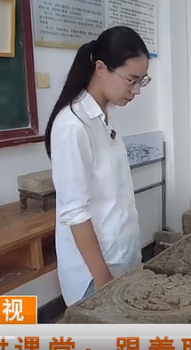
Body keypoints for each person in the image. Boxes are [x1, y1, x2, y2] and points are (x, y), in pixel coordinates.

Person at [43, 26, 151, 306]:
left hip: (122, 256)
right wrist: (103, 279)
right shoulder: (72, 125)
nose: (136, 90)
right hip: (95, 275)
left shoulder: (107, 115)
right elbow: (75, 213)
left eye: (141, 81)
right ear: (101, 68)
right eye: (131, 80)